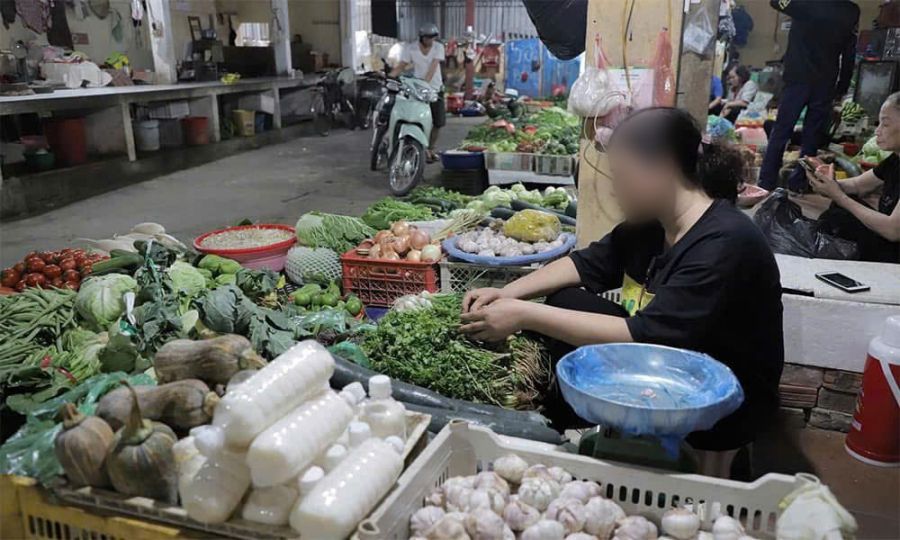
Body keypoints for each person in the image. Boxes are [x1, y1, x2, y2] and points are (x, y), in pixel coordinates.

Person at [460, 107, 784, 472]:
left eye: (621, 177)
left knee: (551, 318)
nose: (615, 190)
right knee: (566, 300)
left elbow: (647, 334)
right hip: (664, 365)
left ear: (661, 168)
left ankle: (692, 465)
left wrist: (524, 314)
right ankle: (565, 433)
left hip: (721, 398)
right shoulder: (655, 223)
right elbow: (587, 263)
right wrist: (510, 294)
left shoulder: (725, 243)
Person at [758, 0, 859, 192]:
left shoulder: (805, 2)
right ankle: (800, 183)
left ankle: (766, 183)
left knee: (781, 132)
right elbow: (849, 52)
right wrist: (842, 87)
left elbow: (776, 1)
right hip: (826, 82)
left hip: (798, 77)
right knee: (811, 138)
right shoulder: (851, 10)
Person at [806, 93, 900, 262]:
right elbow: (858, 185)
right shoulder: (895, 159)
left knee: (838, 218)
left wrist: (839, 196)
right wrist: (827, 183)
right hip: (888, 239)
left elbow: (893, 230)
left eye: (885, 124)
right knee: (838, 211)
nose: (877, 131)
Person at [390, 23, 446, 163]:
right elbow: (402, 65)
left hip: (434, 89)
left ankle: (431, 148)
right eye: (427, 38)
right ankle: (417, 147)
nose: (430, 41)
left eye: (432, 38)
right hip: (415, 91)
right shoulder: (411, 48)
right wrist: (390, 77)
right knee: (415, 118)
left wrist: (424, 85)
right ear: (421, 37)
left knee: (438, 122)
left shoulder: (438, 47)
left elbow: (433, 67)